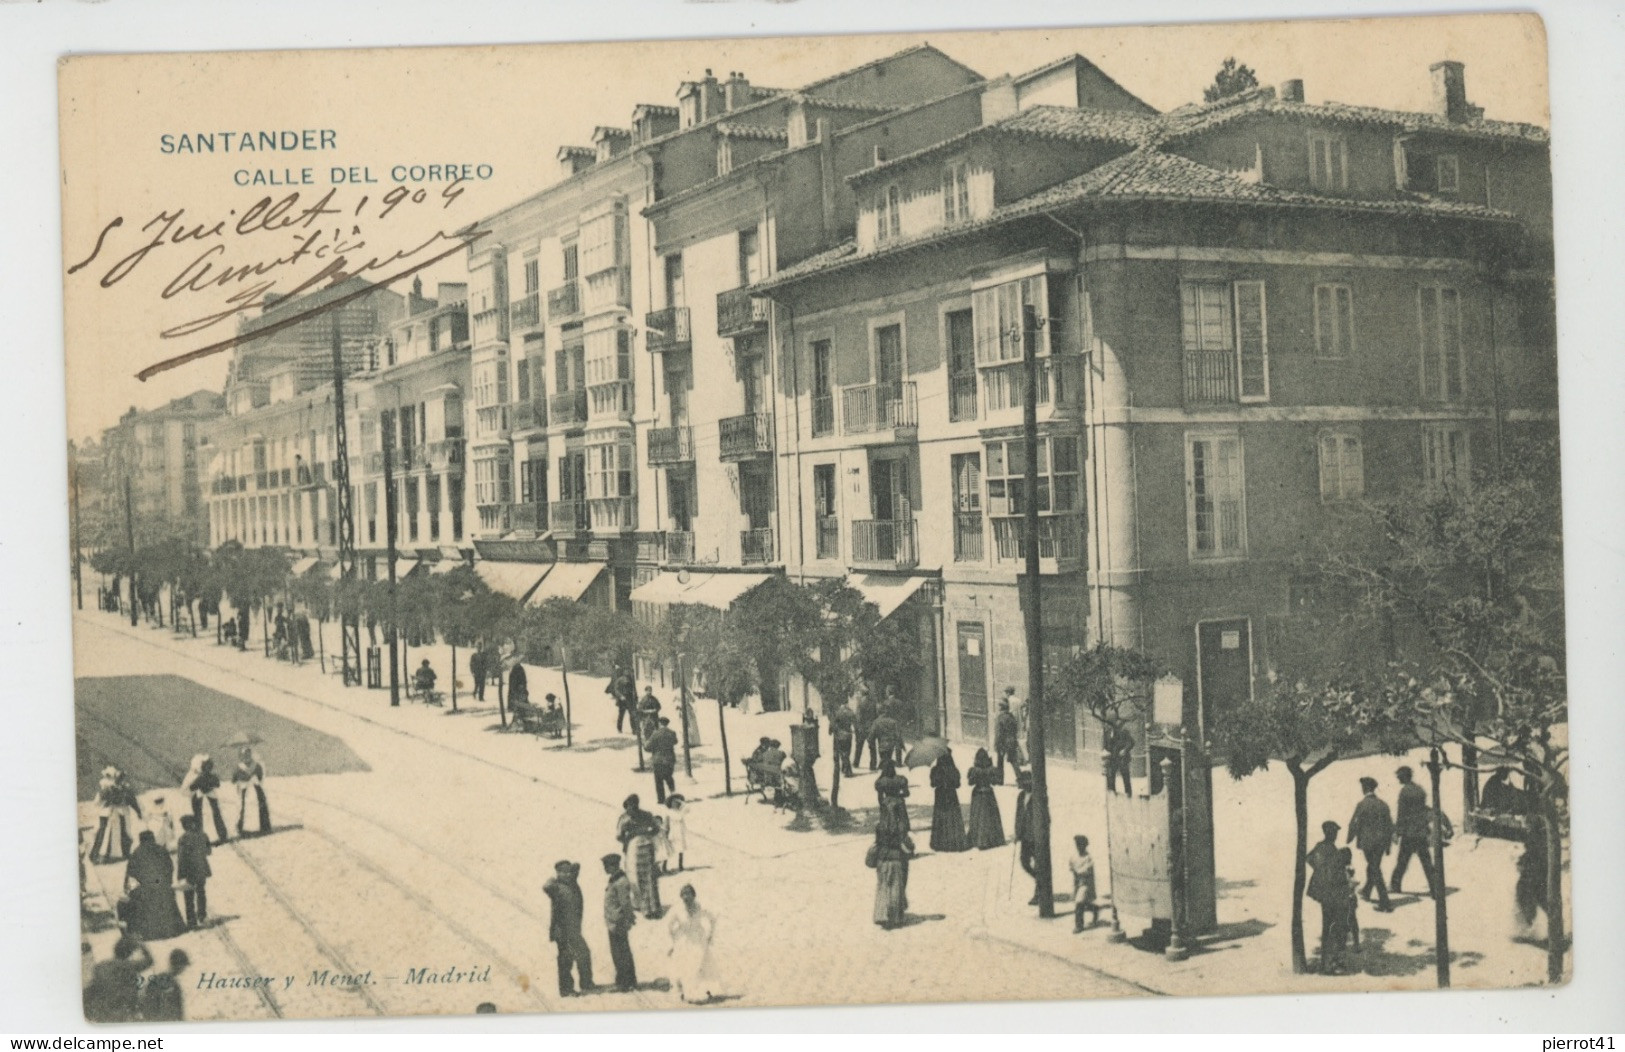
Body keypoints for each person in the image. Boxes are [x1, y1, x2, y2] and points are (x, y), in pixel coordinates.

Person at [122, 830, 186, 941]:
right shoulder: (162, 850)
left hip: (146, 888)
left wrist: (129, 890)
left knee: (134, 901)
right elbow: (170, 867)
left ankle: (144, 931)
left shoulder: (136, 853)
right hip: (162, 886)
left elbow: (130, 875)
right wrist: (167, 882)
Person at [543, 860, 594, 997]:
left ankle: (586, 983)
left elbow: (577, 867)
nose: (567, 874)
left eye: (568, 872)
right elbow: (546, 887)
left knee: (584, 954)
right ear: (558, 873)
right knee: (566, 961)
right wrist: (552, 880)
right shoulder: (556, 887)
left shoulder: (572, 884)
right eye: (563, 872)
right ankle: (566, 990)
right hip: (563, 932)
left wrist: (573, 869)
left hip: (574, 930)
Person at [1306, 820, 1351, 972]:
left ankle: (1326, 962)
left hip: (1324, 894)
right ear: (1330, 833)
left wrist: (1320, 872)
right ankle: (1332, 963)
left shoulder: (1320, 847)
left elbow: (1310, 858)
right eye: (1335, 832)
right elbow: (1336, 874)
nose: (1336, 835)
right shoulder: (1333, 851)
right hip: (1334, 894)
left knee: (1328, 926)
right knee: (1337, 927)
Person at [1346, 776, 1394, 912]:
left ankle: (1385, 903)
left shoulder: (1362, 805)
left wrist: (1349, 838)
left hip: (1368, 843)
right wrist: (1388, 845)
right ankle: (1367, 891)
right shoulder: (1383, 804)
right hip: (1381, 843)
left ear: (1365, 788)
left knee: (1374, 869)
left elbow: (1354, 823)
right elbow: (1389, 826)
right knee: (1374, 866)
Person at [1390, 766, 1439, 897]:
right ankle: (1435, 888)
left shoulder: (1404, 792)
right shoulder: (1420, 790)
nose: (1398, 778)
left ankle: (1395, 886)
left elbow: (1402, 814)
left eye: (1399, 776)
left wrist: (1397, 832)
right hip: (1421, 831)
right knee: (1427, 862)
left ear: (1404, 776)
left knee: (1402, 861)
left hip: (1409, 833)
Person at [667, 884, 720, 1004]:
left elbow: (712, 918)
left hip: (698, 940)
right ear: (681, 897)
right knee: (685, 967)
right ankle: (686, 992)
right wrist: (674, 940)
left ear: (694, 896)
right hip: (684, 941)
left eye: (689, 895)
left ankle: (704, 990)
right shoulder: (677, 909)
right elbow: (669, 925)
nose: (686, 898)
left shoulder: (700, 907)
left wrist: (710, 935)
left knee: (699, 965)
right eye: (684, 895)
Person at [83, 935, 152, 1023]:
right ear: (129, 953)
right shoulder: (129, 966)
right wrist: (142, 945)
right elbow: (149, 961)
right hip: (119, 1012)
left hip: (99, 1010)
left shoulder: (101, 965)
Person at [616, 794, 663, 919]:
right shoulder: (644, 815)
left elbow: (619, 836)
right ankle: (650, 907)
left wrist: (632, 835)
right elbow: (656, 829)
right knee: (644, 877)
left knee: (640, 876)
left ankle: (647, 907)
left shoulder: (626, 818)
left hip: (638, 848)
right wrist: (645, 833)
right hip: (643, 846)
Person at [602, 854, 638, 992]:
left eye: (606, 866)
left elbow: (625, 903)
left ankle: (625, 982)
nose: (605, 869)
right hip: (613, 921)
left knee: (621, 953)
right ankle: (626, 981)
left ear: (613, 866)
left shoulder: (621, 881)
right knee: (619, 952)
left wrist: (629, 918)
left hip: (618, 922)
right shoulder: (615, 879)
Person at [90, 767, 141, 864]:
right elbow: (131, 800)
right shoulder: (116, 789)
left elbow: (97, 802)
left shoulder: (112, 789)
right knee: (109, 834)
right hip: (114, 813)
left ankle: (104, 856)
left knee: (113, 834)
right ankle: (101, 856)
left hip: (113, 813)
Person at [871, 828, 916, 929]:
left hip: (882, 861)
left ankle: (881, 915)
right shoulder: (899, 826)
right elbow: (908, 849)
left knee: (883, 888)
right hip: (896, 860)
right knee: (896, 888)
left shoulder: (881, 825)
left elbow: (876, 844)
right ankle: (895, 917)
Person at [174, 814, 212, 930]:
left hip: (189, 870)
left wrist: (180, 875)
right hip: (201, 869)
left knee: (188, 895)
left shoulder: (183, 839)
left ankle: (191, 921)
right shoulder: (203, 835)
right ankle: (202, 915)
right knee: (201, 892)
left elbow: (181, 858)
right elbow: (208, 851)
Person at [182, 754, 230, 844]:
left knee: (214, 814)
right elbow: (187, 789)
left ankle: (220, 835)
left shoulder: (208, 776)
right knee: (200, 816)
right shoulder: (194, 777)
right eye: (204, 765)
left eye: (208, 766)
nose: (207, 768)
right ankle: (204, 837)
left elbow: (217, 784)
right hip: (200, 796)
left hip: (208, 796)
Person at [928, 750, 969, 852]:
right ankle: (954, 842)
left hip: (940, 795)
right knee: (952, 816)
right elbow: (958, 785)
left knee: (940, 816)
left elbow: (932, 784)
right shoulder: (954, 770)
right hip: (951, 795)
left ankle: (940, 843)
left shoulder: (935, 770)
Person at [966, 748, 1006, 849]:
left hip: (978, 794)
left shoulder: (974, 770)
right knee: (989, 817)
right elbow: (997, 782)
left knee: (977, 817)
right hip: (988, 793)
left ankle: (977, 839)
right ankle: (991, 839)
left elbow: (970, 783)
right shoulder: (991, 769)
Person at [1515, 818, 1549, 932]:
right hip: (1536, 872)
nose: (1526, 828)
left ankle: (1528, 924)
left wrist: (1522, 861)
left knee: (1527, 893)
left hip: (1535, 873)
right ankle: (1528, 923)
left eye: (1527, 826)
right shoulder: (1539, 836)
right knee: (1539, 897)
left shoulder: (1536, 838)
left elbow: (1534, 854)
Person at [1013, 769, 1042, 905]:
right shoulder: (1021, 796)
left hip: (1035, 837)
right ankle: (1040, 880)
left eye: (1022, 782)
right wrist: (1017, 832)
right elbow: (1018, 815)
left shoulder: (1038, 796)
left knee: (1039, 864)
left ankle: (1039, 892)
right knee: (1024, 862)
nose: (1020, 785)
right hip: (1025, 836)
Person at [139, 949, 189, 1022]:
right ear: (179, 965)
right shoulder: (171, 983)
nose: (184, 969)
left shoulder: (162, 980)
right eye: (183, 966)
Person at [233, 746, 272, 838]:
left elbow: (260, 775)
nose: (246, 756)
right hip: (246, 789)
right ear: (241, 756)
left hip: (254, 788)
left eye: (248, 754)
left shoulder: (255, 765)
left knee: (259, 805)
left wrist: (252, 779)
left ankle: (263, 826)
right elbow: (234, 779)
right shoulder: (240, 767)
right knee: (241, 807)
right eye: (244, 754)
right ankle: (242, 827)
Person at [874, 758, 911, 838]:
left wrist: (882, 807)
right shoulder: (901, 779)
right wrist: (899, 796)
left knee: (888, 827)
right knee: (902, 825)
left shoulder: (881, 781)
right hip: (899, 802)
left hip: (887, 803)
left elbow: (880, 798)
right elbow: (907, 793)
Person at [646, 717, 680, 805]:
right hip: (669, 759)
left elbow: (647, 747)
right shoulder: (672, 733)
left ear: (660, 723)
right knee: (669, 777)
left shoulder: (655, 734)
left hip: (658, 760)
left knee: (659, 781)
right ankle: (673, 794)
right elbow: (675, 742)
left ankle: (661, 800)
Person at [1070, 835, 1099, 932]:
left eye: (1080, 845)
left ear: (1085, 846)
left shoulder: (1088, 858)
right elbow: (1072, 869)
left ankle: (1079, 926)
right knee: (1082, 902)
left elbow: (1086, 871)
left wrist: (1077, 871)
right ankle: (1094, 908)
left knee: (1079, 903)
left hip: (1086, 884)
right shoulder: (1074, 857)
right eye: (1077, 844)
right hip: (1078, 883)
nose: (1078, 847)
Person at [993, 697, 1021, 781]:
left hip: (1003, 742)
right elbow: (1016, 729)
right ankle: (1020, 779)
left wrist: (996, 744)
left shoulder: (1000, 718)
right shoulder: (1011, 717)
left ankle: (999, 780)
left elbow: (998, 733)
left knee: (1000, 761)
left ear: (1001, 707)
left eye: (999, 706)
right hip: (1012, 741)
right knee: (1014, 761)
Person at [1104, 720, 1135, 795]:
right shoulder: (1107, 733)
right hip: (1112, 759)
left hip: (1122, 758)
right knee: (1111, 776)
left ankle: (1128, 794)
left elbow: (1131, 742)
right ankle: (1112, 793)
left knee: (1125, 777)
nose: (1110, 727)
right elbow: (1105, 746)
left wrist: (1125, 750)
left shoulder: (1123, 732)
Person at [829, 698, 857, 777]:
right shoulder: (850, 712)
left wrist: (830, 731)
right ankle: (845, 768)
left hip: (839, 735)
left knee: (841, 753)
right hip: (848, 735)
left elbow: (832, 723)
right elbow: (855, 723)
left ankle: (847, 770)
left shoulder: (837, 712)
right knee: (847, 752)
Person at [853, 687, 878, 772]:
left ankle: (856, 763)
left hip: (862, 728)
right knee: (872, 747)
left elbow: (858, 718)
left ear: (862, 694)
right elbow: (875, 716)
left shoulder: (860, 704)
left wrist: (858, 728)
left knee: (859, 746)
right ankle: (873, 765)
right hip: (871, 727)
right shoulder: (873, 703)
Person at [663, 795, 690, 873]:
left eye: (676, 802)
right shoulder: (668, 812)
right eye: (673, 802)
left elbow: (688, 808)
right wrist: (665, 832)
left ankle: (680, 866)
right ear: (670, 803)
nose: (675, 803)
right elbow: (666, 823)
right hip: (672, 833)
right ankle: (664, 866)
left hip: (680, 833)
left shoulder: (680, 812)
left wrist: (681, 802)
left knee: (680, 849)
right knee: (668, 850)